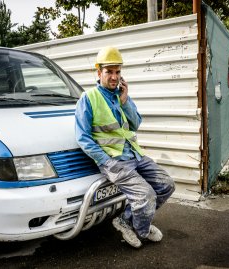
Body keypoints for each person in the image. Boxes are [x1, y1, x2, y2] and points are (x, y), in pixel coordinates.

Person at [75, 46, 176, 248]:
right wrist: (106, 161)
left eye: (117, 71)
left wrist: (125, 100)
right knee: (146, 195)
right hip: (114, 161)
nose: (114, 77)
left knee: (166, 185)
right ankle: (143, 230)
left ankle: (127, 220)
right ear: (99, 72)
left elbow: (136, 123)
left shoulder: (119, 96)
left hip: (134, 154)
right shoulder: (89, 98)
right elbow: (83, 137)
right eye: (109, 71)